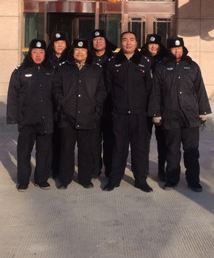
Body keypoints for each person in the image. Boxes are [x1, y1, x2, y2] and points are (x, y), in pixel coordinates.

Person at [149, 36, 211, 192]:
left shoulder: (192, 66)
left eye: (179, 48)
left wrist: (203, 110)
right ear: (169, 50)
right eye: (174, 48)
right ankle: (172, 179)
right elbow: (156, 92)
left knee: (192, 151)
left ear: (183, 49)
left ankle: (193, 181)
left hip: (190, 117)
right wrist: (156, 113)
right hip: (170, 116)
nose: (177, 51)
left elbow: (200, 89)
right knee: (172, 151)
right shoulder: (162, 67)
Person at [52, 39, 106, 189]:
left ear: (87, 52)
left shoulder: (95, 69)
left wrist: (95, 105)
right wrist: (62, 103)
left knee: (86, 150)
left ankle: (85, 179)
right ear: (72, 52)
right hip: (67, 116)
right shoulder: (63, 68)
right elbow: (56, 88)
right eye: (77, 49)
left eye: (83, 50)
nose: (80, 52)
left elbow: (102, 90)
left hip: (88, 115)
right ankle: (65, 179)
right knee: (66, 150)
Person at [104, 31, 153, 193]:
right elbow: (108, 87)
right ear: (121, 43)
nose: (128, 42)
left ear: (136, 43)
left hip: (139, 114)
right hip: (119, 113)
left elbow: (149, 88)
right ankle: (114, 179)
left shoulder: (145, 62)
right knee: (119, 148)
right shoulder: (113, 62)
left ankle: (141, 180)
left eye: (132, 40)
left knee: (140, 149)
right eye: (125, 40)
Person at [7, 39, 54, 191]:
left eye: (41, 52)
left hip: (46, 119)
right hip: (27, 120)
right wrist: (14, 117)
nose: (38, 55)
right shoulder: (20, 71)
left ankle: (41, 179)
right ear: (30, 53)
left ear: (45, 54)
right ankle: (23, 180)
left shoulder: (51, 70)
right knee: (24, 153)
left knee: (44, 152)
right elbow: (13, 95)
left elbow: (57, 94)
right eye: (35, 52)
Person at [140, 33, 168, 182]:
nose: (153, 47)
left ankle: (162, 170)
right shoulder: (140, 59)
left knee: (162, 141)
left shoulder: (165, 60)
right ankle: (143, 169)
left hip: (161, 106)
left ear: (160, 45)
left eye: (156, 44)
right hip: (144, 106)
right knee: (143, 140)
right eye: (151, 44)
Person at [90, 29, 117, 178]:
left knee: (110, 140)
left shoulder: (113, 58)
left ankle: (110, 169)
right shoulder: (88, 58)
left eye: (101, 39)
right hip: (92, 106)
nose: (98, 42)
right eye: (95, 39)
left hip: (110, 105)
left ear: (106, 41)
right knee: (94, 141)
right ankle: (95, 169)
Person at [46, 31, 71, 178]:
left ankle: (63, 169)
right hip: (50, 106)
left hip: (65, 106)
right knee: (51, 140)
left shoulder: (70, 59)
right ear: (52, 44)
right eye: (57, 42)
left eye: (62, 42)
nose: (60, 45)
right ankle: (53, 168)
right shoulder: (47, 59)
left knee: (65, 141)